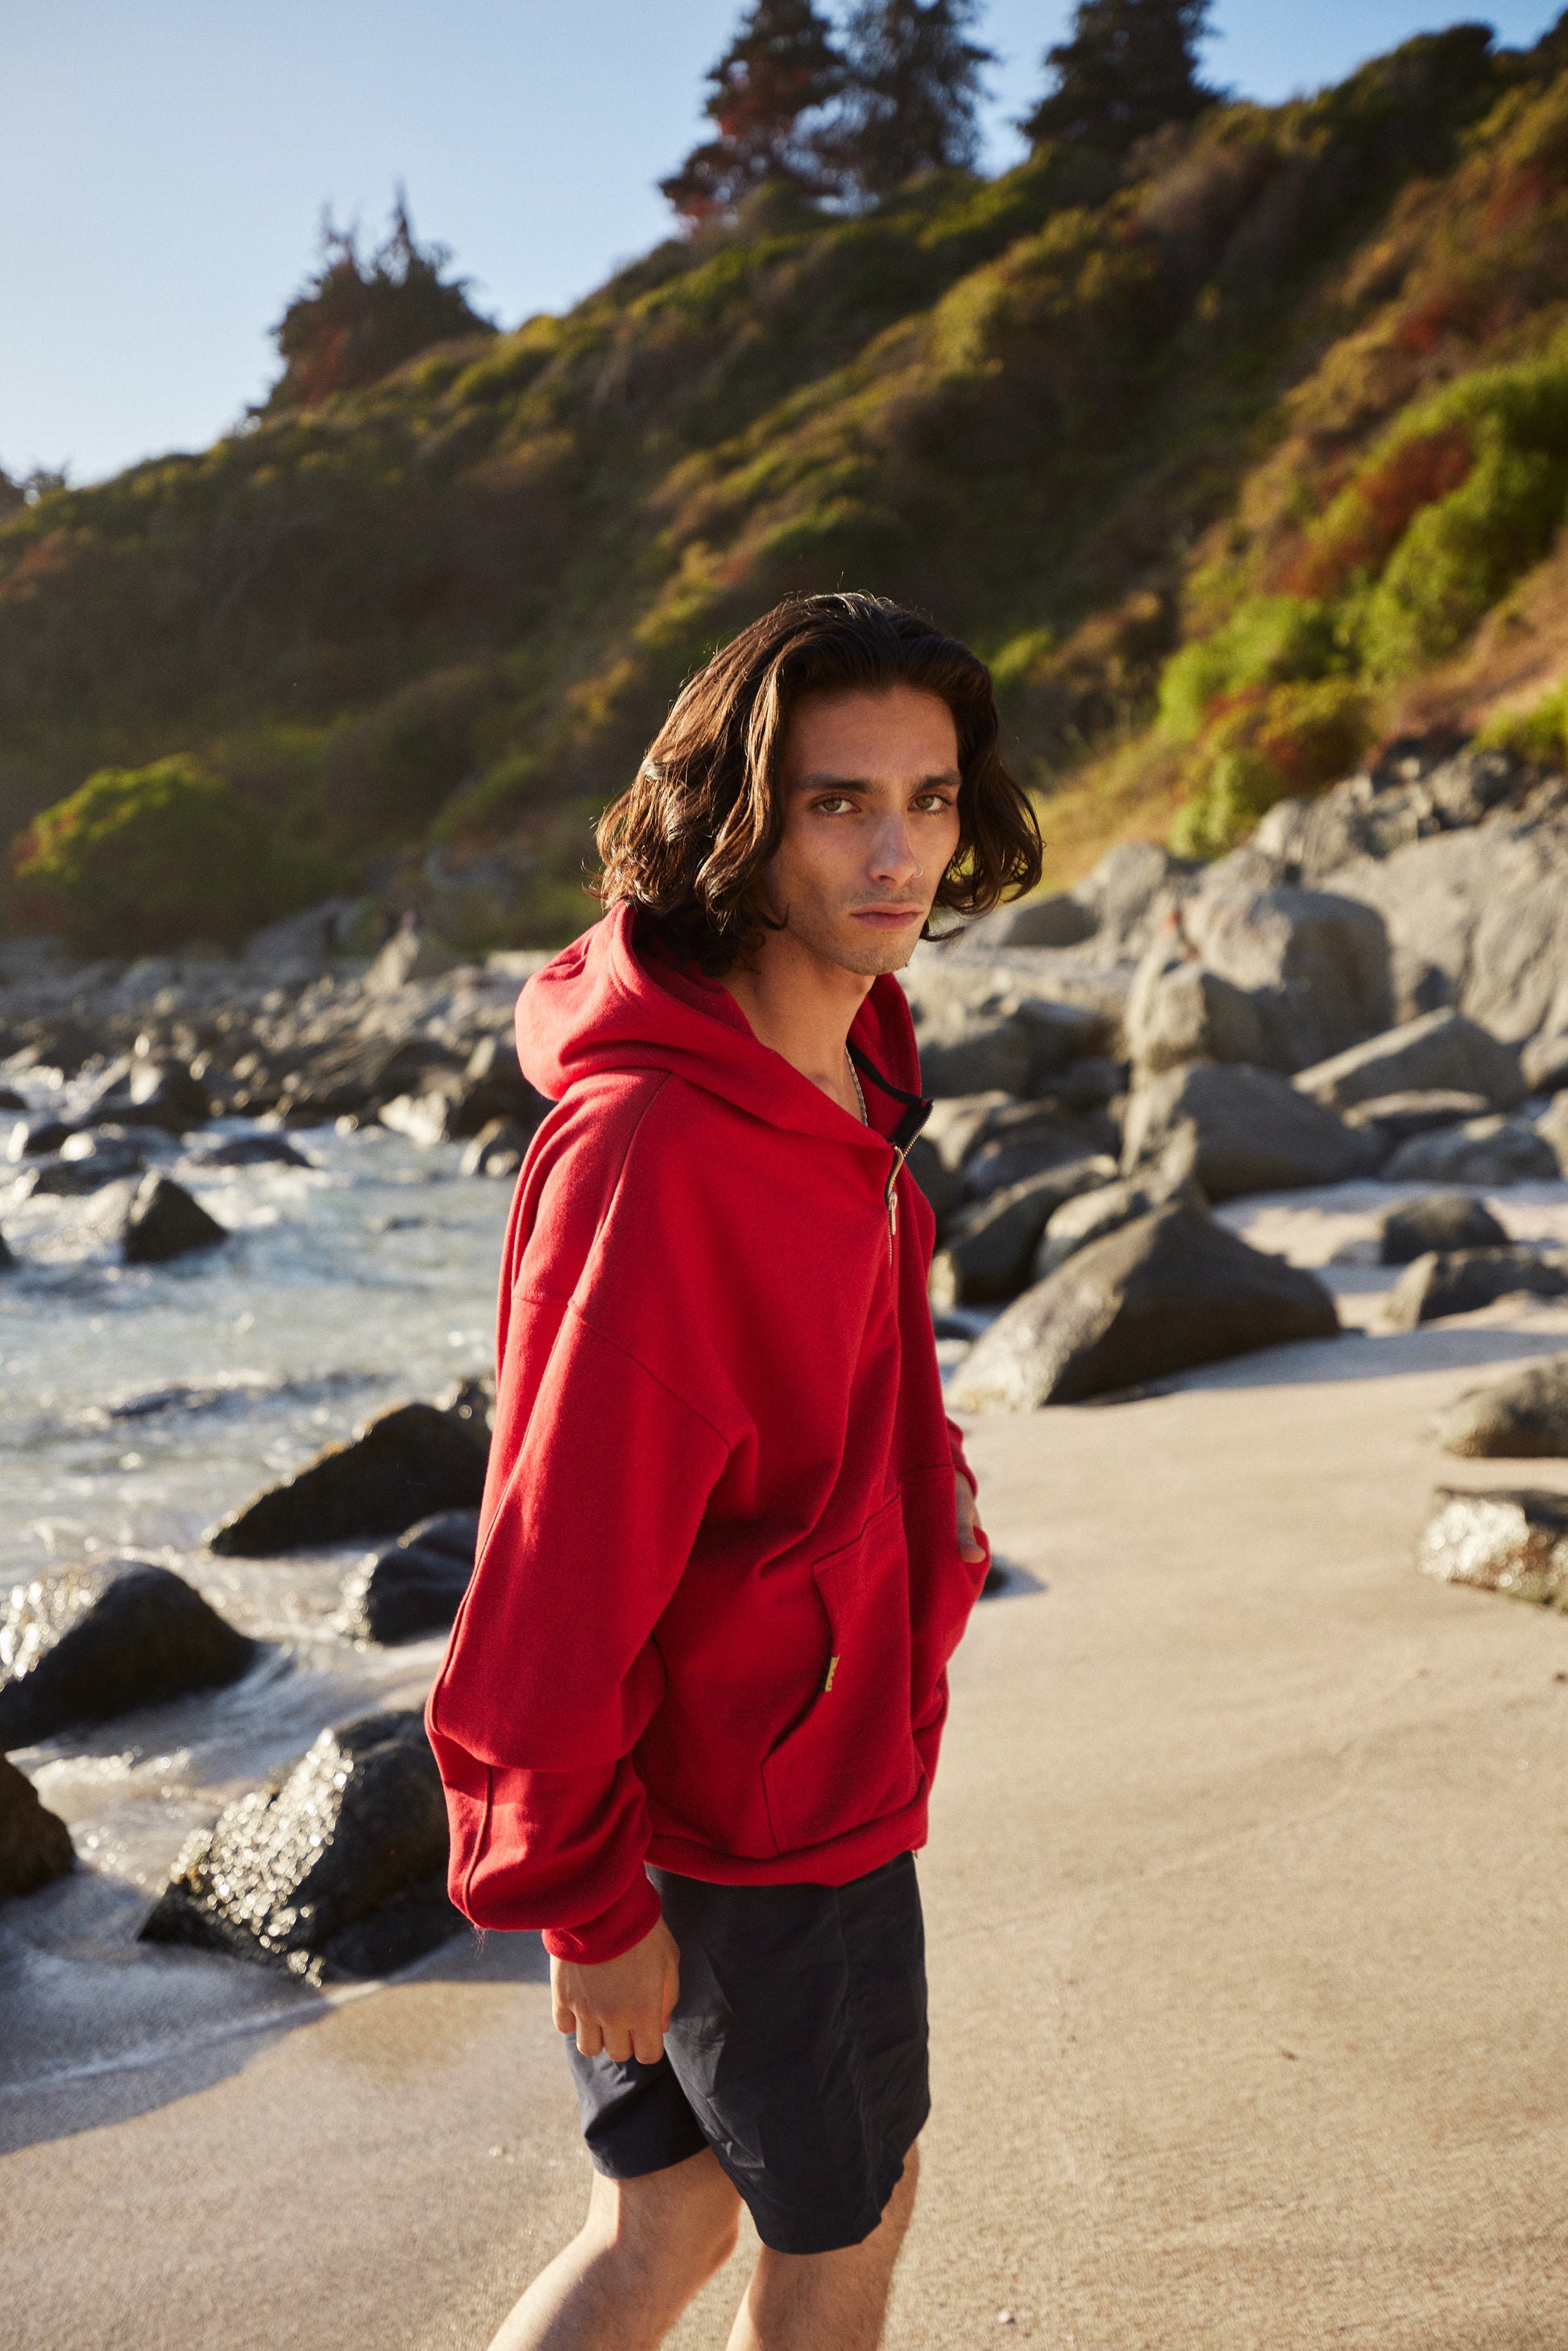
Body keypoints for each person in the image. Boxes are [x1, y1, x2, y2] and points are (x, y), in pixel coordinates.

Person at [426, 592, 1043, 2350]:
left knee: (667, 2218)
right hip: (751, 1819)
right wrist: (577, 1893)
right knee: (844, 2217)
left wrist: (930, 1505)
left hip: (778, 1758)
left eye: (928, 798)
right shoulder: (658, 1145)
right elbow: (554, 1551)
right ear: (737, 821)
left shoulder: (841, 1068)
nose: (897, 851)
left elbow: (822, 1386)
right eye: (839, 802)